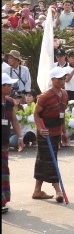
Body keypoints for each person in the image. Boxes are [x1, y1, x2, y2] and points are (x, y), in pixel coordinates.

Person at [32, 67, 71, 203]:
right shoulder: (45, 96)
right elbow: (36, 114)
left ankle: (37, 190)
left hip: (56, 132)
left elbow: (62, 114)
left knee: (43, 160)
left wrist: (64, 132)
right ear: (53, 79)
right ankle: (58, 190)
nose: (62, 80)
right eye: (59, 78)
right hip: (45, 133)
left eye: (64, 78)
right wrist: (40, 128)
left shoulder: (65, 94)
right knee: (51, 160)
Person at [2, 73, 24, 214]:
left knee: (4, 171)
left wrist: (20, 137)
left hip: (4, 142)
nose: (11, 87)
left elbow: (14, 120)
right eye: (8, 85)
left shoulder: (10, 102)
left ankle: (3, 200)